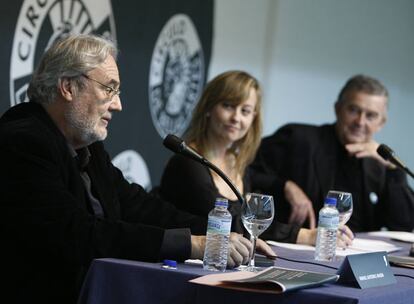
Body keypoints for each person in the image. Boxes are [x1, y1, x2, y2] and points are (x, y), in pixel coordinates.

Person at [0, 35, 263, 304]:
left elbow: (137, 205)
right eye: (108, 89)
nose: (118, 105)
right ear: (68, 87)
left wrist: (218, 232)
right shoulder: (22, 142)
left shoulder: (86, 147)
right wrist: (194, 245)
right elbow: (76, 232)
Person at [158, 71, 353, 246]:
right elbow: (228, 224)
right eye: (228, 106)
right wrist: (306, 236)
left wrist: (287, 187)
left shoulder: (237, 161)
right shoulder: (188, 162)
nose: (236, 118)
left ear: (253, 118)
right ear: (208, 108)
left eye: (245, 111)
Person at [251, 74, 414, 232]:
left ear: (381, 123)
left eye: (371, 116)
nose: (360, 122)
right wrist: (285, 186)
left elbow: (404, 224)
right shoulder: (298, 139)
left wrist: (393, 170)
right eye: (353, 110)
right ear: (337, 109)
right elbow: (245, 169)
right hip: (304, 249)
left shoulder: (380, 163)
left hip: (359, 254)